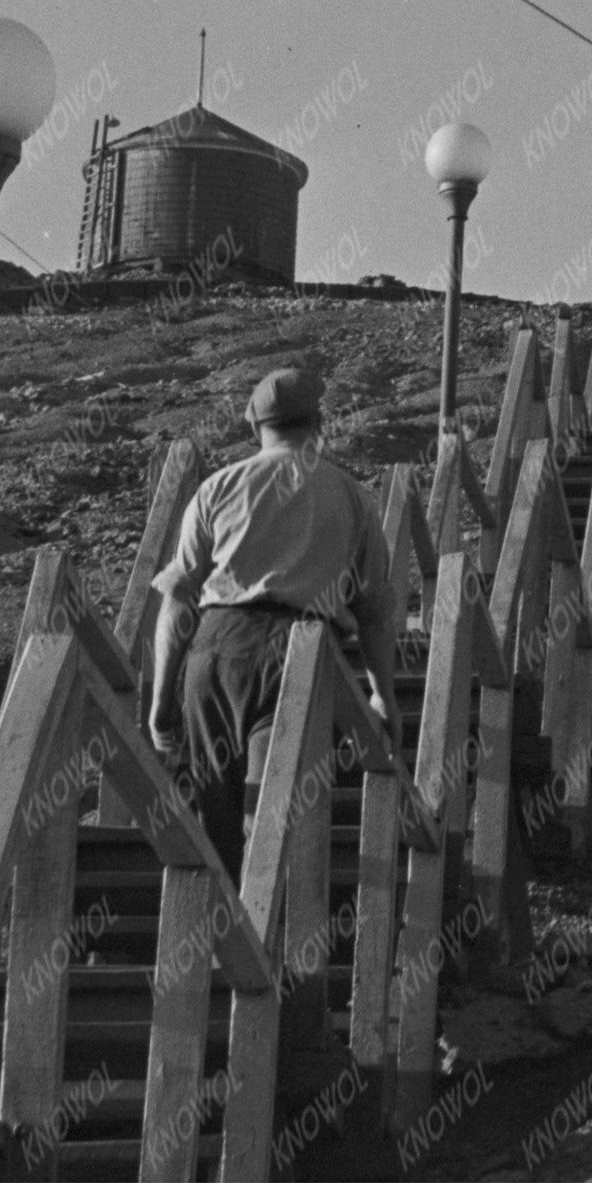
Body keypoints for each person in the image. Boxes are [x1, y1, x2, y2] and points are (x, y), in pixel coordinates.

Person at [141, 359, 406, 861]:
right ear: (319, 424)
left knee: (213, 823)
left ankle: (215, 928)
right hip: (303, 653)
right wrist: (381, 694)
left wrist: (161, 700)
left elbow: (178, 601)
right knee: (273, 821)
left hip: (217, 647)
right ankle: (275, 927)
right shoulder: (352, 496)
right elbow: (373, 609)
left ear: (254, 425)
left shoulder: (215, 489)